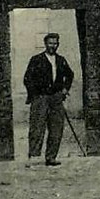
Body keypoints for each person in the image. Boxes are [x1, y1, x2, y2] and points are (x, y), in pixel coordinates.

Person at [23, 32, 74, 166]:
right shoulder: (36, 59)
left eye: (55, 43)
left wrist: (65, 89)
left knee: (56, 127)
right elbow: (27, 78)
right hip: (41, 98)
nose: (53, 46)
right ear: (45, 44)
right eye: (50, 43)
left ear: (58, 44)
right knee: (37, 127)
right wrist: (34, 95)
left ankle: (51, 157)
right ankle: (34, 157)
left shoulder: (61, 60)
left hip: (56, 98)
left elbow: (70, 74)